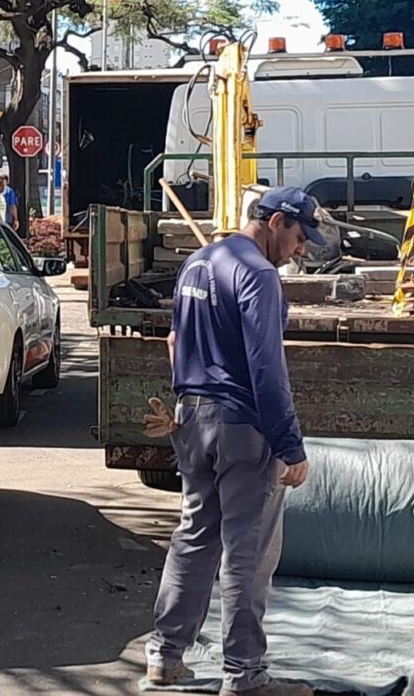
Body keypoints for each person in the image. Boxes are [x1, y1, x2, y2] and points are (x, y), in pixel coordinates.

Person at [144, 187, 321, 696]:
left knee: (194, 536)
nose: (300, 250)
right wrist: (290, 444)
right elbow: (267, 366)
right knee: (247, 549)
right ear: (277, 222)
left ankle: (165, 655)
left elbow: (175, 340)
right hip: (241, 425)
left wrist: (184, 402)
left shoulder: (198, 263)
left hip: (192, 419)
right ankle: (245, 676)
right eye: (299, 236)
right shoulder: (259, 276)